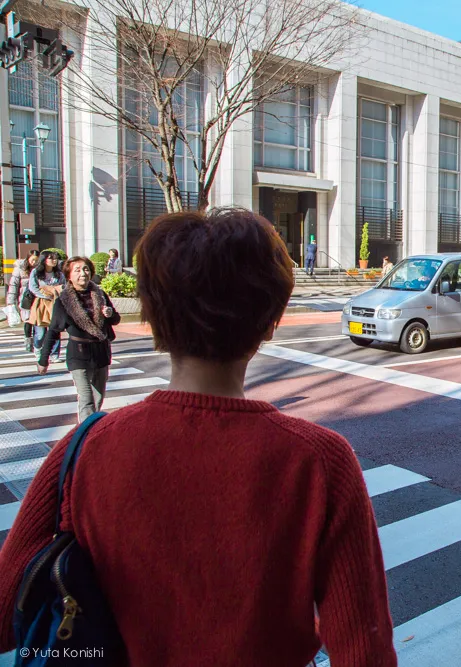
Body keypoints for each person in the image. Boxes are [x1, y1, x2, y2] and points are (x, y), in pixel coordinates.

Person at [0, 208, 396, 666]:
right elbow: (363, 652)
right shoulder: (320, 462)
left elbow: (8, 613)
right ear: (271, 320)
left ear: (150, 316)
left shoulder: (84, 448)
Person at [37, 256, 120, 422]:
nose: (83, 273)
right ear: (69, 276)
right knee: (87, 399)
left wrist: (110, 314)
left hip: (101, 352)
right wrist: (43, 359)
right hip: (79, 354)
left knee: (98, 398)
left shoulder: (100, 294)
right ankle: (85, 437)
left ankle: (90, 427)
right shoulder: (63, 301)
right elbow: (53, 331)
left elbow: (115, 319)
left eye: (86, 269)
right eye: (78, 270)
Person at [28, 250, 65, 362]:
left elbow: (64, 286)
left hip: (55, 303)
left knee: (55, 329)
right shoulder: (36, 272)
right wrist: (47, 294)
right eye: (51, 258)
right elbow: (33, 287)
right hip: (41, 303)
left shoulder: (59, 274)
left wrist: (55, 293)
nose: (54, 260)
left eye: (55, 258)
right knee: (40, 332)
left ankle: (54, 354)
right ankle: (38, 348)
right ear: (44, 260)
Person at [6, 250, 39, 351]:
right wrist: (11, 302)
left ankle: (37, 342)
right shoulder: (20, 269)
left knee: (38, 321)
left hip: (38, 298)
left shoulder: (40, 269)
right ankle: (28, 341)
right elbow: (13, 285)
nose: (34, 262)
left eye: (36, 261)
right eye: (32, 260)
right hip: (25, 298)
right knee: (28, 320)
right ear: (28, 258)